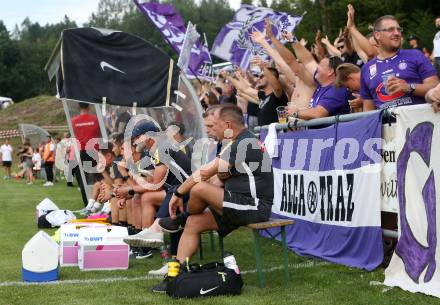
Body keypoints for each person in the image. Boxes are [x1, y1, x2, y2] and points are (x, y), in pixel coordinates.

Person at [152, 105, 273, 292]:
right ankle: (175, 275)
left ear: (228, 124)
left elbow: (206, 172)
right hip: (237, 202)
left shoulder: (243, 142)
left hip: (254, 207)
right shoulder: (235, 142)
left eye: (214, 125)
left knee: (199, 188)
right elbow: (216, 179)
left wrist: (178, 193)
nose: (211, 130)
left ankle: (181, 219)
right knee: (194, 222)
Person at [360, 15, 439, 110]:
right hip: (386, 124)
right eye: (391, 30)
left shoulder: (415, 55)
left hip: (418, 122)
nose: (397, 33)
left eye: (398, 29)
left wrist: (408, 87)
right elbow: (368, 110)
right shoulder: (366, 69)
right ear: (377, 35)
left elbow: (435, 86)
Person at [71, 102, 101, 206]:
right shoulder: (95, 119)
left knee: (84, 180)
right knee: (98, 179)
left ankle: (87, 204)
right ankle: (98, 204)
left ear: (78, 107)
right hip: (94, 151)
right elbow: (100, 133)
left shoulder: (74, 121)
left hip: (82, 153)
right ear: (89, 106)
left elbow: (73, 136)